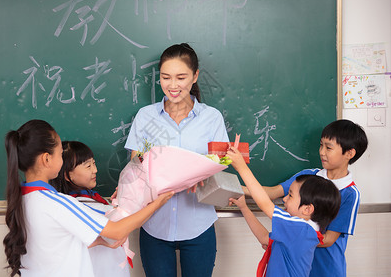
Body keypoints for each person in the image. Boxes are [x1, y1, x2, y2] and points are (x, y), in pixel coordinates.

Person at [3, 119, 173, 277]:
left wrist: (100, 241)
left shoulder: (23, 200)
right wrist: (158, 203)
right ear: (47, 159)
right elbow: (117, 231)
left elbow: (57, 242)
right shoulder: (58, 203)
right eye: (60, 154)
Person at [124, 43, 229, 276]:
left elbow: (221, 166)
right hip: (154, 225)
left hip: (199, 225)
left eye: (181, 77)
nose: (172, 85)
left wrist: (201, 174)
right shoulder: (146, 116)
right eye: (165, 77)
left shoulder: (211, 118)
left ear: (195, 77)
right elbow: (135, 166)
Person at [242, 119, 368, 277]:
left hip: (326, 269)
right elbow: (272, 193)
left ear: (349, 153)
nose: (322, 152)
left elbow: (328, 239)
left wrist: (291, 238)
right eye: (321, 145)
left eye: (328, 147)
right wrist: (231, 186)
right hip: (296, 263)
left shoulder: (350, 194)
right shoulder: (307, 176)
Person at [226, 147, 341, 277]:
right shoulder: (300, 232)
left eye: (290, 195)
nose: (285, 199)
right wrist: (244, 208)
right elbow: (265, 239)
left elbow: (265, 204)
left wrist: (242, 168)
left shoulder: (301, 230)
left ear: (307, 209)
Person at [50, 141, 129, 277]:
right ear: (68, 175)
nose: (95, 170)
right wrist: (131, 196)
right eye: (88, 166)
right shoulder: (80, 205)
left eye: (94, 163)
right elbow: (120, 220)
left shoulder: (91, 198)